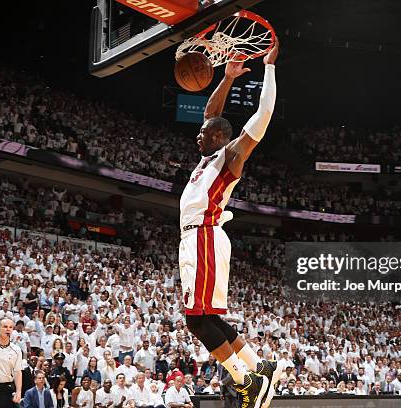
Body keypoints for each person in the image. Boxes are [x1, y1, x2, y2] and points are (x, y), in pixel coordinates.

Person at [178, 39, 281, 408]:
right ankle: (258, 366)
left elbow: (263, 117)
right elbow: (211, 110)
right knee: (206, 318)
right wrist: (228, 78)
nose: (198, 133)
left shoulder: (231, 155)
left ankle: (246, 380)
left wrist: (268, 68)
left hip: (203, 237)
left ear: (220, 137)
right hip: (197, 240)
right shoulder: (208, 157)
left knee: (196, 322)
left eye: (204, 132)